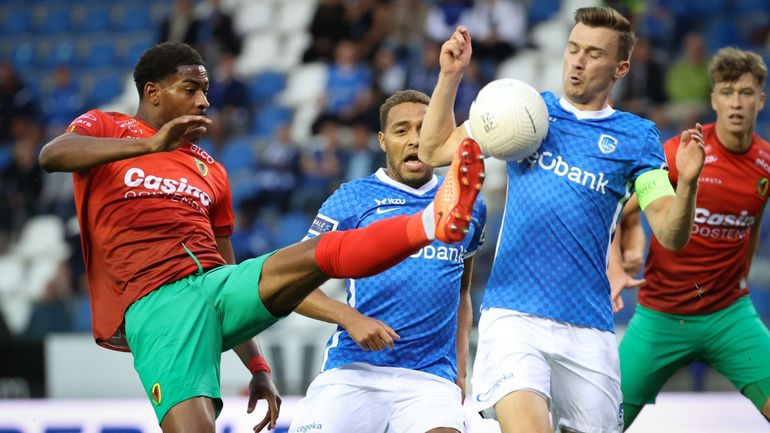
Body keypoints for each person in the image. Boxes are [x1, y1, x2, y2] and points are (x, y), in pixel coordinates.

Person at [37, 42, 486, 433]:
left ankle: (429, 224)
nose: (204, 102)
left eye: (206, 91)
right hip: (158, 304)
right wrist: (150, 147)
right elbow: (53, 155)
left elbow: (228, 266)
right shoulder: (108, 127)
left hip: (215, 286)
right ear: (152, 92)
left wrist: (258, 367)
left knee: (316, 253)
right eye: (191, 89)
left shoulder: (209, 168)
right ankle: (426, 224)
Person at [417, 7, 706, 433]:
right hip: (514, 315)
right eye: (573, 48)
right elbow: (435, 151)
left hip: (588, 327)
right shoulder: (526, 110)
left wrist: (689, 185)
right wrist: (450, 77)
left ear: (620, 67)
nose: (577, 61)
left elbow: (669, 231)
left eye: (592, 53)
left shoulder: (638, 137)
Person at [288, 90, 487, 433]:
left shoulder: (469, 203)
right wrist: (349, 317)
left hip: (430, 379)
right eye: (401, 130)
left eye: (424, 129)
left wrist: (461, 368)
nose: (414, 140)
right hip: (354, 371)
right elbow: (291, 285)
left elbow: (462, 291)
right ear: (383, 140)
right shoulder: (352, 199)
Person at [615, 47, 770, 429]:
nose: (736, 102)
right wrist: (618, 263)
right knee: (598, 423)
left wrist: (741, 281)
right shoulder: (684, 152)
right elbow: (622, 213)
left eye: (746, 93)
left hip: (729, 315)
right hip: (660, 317)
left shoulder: (766, 163)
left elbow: (751, 225)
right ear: (713, 99)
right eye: (727, 92)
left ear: (761, 100)